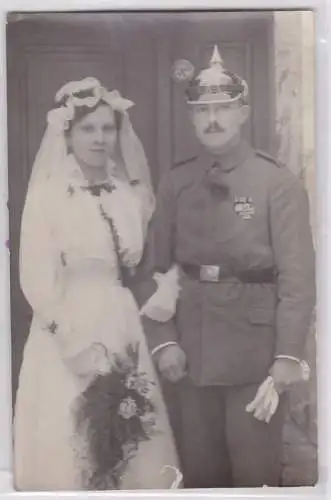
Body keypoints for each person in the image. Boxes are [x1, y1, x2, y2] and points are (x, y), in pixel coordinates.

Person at [137, 46, 315, 488]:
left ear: (244, 113)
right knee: (200, 477)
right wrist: (163, 344)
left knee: (255, 477)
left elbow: (297, 279)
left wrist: (288, 356)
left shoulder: (277, 183)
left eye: (223, 109)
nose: (212, 119)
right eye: (202, 111)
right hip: (190, 356)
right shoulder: (177, 182)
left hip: (256, 357)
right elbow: (151, 270)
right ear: (192, 118)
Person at [13, 77, 182, 491]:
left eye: (108, 128)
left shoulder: (127, 194)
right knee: (71, 435)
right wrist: (73, 344)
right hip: (68, 323)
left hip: (122, 320)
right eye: (88, 128)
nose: (100, 138)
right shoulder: (48, 197)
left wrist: (169, 284)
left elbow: (146, 263)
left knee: (131, 433)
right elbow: (35, 279)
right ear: (67, 134)